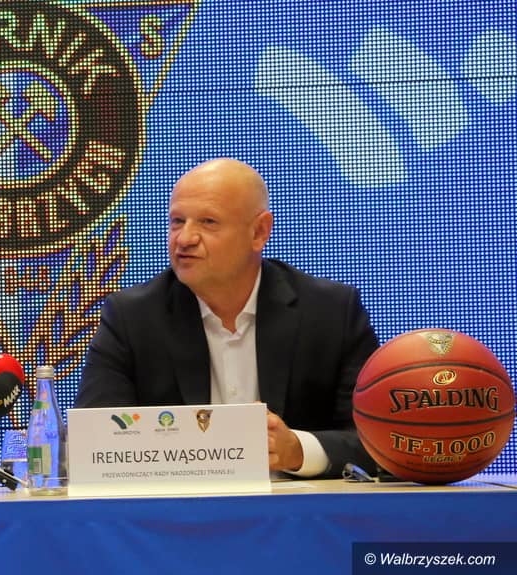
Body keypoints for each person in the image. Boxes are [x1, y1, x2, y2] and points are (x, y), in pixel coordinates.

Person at [76, 158, 377, 478]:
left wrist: (298, 451)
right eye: (177, 221)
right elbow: (92, 443)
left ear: (259, 231)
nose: (184, 239)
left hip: (297, 506)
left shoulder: (331, 312)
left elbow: (378, 441)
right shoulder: (132, 318)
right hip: (181, 506)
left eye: (208, 222)